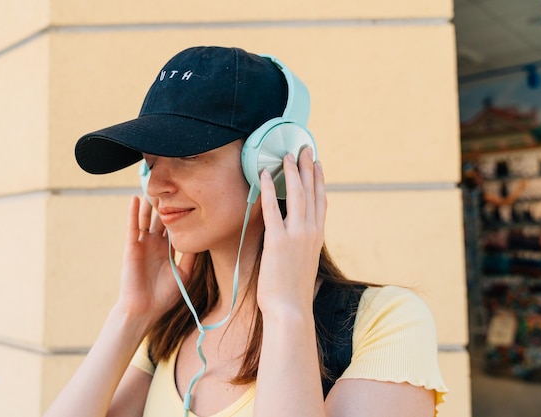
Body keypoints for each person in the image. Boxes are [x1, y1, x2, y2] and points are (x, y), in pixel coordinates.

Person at [44, 46, 448, 417]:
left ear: (269, 160)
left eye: (186, 155)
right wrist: (131, 315)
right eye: (151, 162)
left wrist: (286, 313)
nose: (155, 186)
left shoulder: (384, 322)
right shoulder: (169, 333)